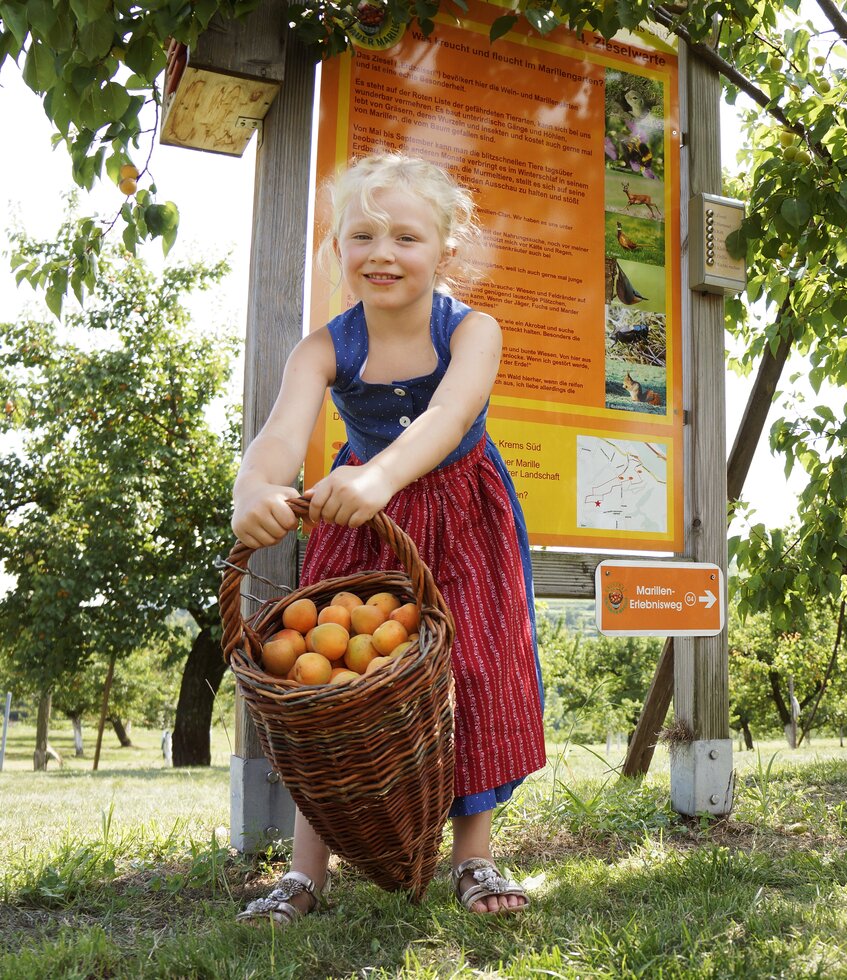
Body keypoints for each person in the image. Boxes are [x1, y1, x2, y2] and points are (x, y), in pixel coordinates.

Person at [231, 152, 546, 923]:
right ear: (337, 249)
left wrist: (383, 476)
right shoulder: (324, 347)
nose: (382, 252)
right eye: (361, 234)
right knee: (330, 685)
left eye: (406, 236)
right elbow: (279, 437)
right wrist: (253, 490)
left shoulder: (473, 329)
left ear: (445, 248)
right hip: (360, 522)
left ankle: (474, 858)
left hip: (462, 515)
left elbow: (448, 416)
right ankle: (306, 874)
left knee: (469, 667)